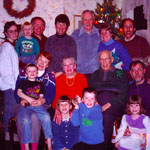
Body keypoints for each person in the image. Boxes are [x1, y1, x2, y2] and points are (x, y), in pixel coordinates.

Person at [89, 50, 128, 150]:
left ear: (112, 60)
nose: (104, 62)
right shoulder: (96, 74)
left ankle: (105, 146)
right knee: (88, 114)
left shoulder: (119, 73)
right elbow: (89, 91)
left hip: (114, 104)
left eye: (106, 59)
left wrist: (110, 103)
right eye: (102, 59)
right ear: (99, 61)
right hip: (97, 102)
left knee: (106, 115)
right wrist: (95, 102)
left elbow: (124, 93)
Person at [16, 51, 55, 150]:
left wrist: (41, 101)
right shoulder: (23, 72)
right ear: (36, 60)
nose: (42, 63)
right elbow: (17, 91)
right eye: (40, 60)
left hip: (42, 104)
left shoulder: (50, 76)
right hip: (23, 102)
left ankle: (34, 147)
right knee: (23, 118)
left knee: (34, 117)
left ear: (48, 65)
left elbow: (51, 96)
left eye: (45, 62)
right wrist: (22, 99)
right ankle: (24, 146)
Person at [0, 21, 19, 140]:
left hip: (11, 84)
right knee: (9, 109)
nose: (14, 33)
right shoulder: (6, 47)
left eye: (16, 31)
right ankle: (8, 134)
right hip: (9, 85)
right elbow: (5, 70)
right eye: (11, 31)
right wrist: (13, 85)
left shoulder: (10, 46)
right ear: (6, 33)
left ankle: (11, 133)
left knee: (12, 109)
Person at [71, 10, 100, 81]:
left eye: (90, 19)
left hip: (96, 73)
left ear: (93, 20)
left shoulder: (100, 34)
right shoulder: (75, 34)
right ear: (82, 21)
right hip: (80, 72)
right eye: (85, 20)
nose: (88, 22)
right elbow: (70, 52)